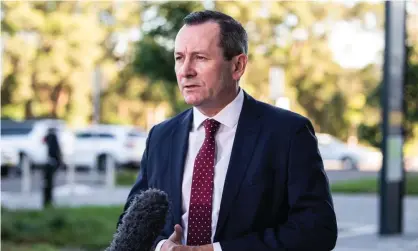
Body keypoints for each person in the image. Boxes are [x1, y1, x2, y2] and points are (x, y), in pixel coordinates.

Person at [118, 10, 337, 251]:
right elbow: (130, 225)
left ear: (237, 66)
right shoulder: (161, 136)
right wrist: (162, 247)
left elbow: (317, 230)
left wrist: (216, 250)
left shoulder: (288, 133)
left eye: (200, 58)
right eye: (179, 58)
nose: (185, 70)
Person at [43, 127, 62, 208]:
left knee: (48, 184)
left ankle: (47, 201)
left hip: (50, 162)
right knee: (48, 184)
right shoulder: (53, 137)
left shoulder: (49, 137)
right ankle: (48, 201)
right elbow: (56, 151)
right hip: (52, 162)